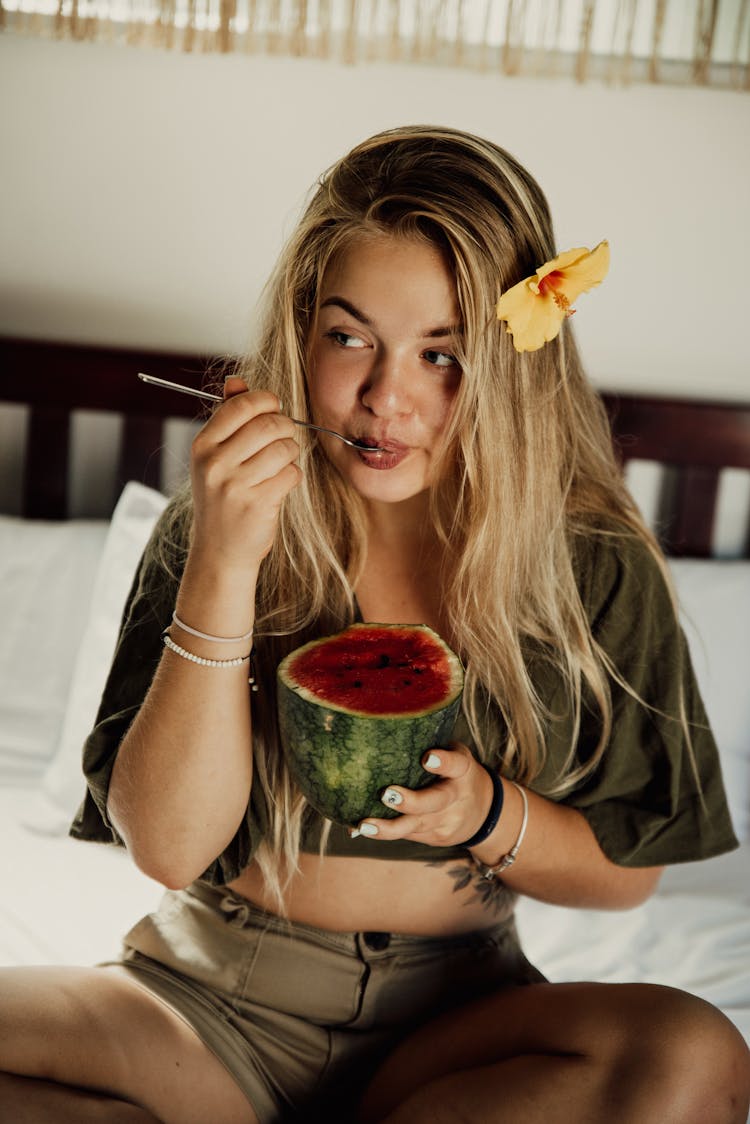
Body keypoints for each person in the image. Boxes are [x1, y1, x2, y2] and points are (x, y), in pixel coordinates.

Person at [1, 125, 748, 1124]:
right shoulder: (218, 522)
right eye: (349, 337)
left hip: (458, 1029)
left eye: (441, 354)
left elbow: (627, 877)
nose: (384, 398)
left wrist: (486, 814)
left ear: (511, 361)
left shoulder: (593, 561)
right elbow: (170, 847)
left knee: (699, 1055)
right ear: (300, 332)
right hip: (202, 1008)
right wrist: (224, 559)